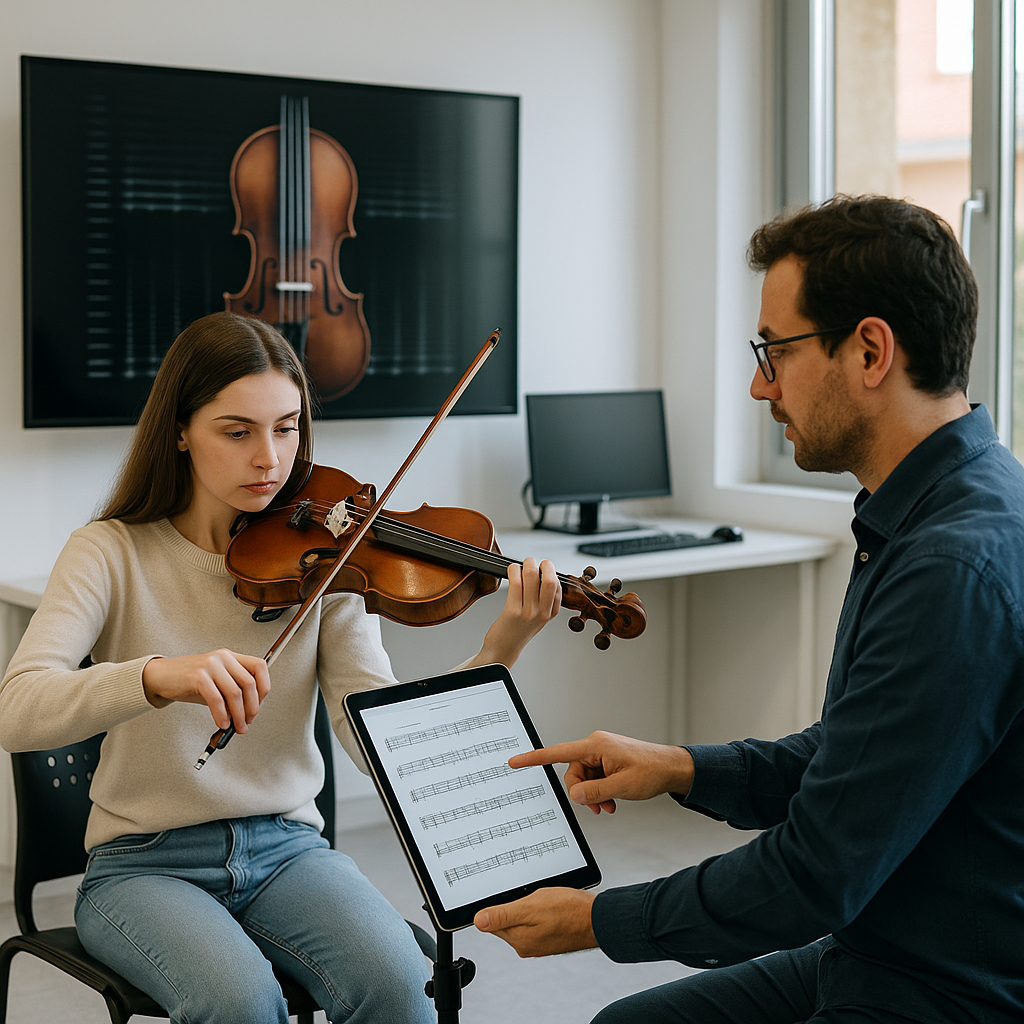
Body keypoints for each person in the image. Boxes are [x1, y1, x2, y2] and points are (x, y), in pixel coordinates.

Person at [472, 195, 1024, 1024]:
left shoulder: (950, 568)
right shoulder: (943, 509)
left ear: (871, 350)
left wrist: (597, 920)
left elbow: (813, 875)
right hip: (880, 945)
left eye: (775, 349)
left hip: (945, 989)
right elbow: (852, 762)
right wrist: (682, 768)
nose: (760, 383)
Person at [0, 311, 562, 1024]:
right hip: (142, 864)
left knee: (403, 987)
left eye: (287, 427)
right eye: (238, 431)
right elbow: (16, 710)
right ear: (180, 430)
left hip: (289, 850)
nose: (270, 457)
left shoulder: (329, 557)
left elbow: (376, 739)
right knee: (239, 1005)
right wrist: (158, 675)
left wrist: (501, 647)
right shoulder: (109, 552)